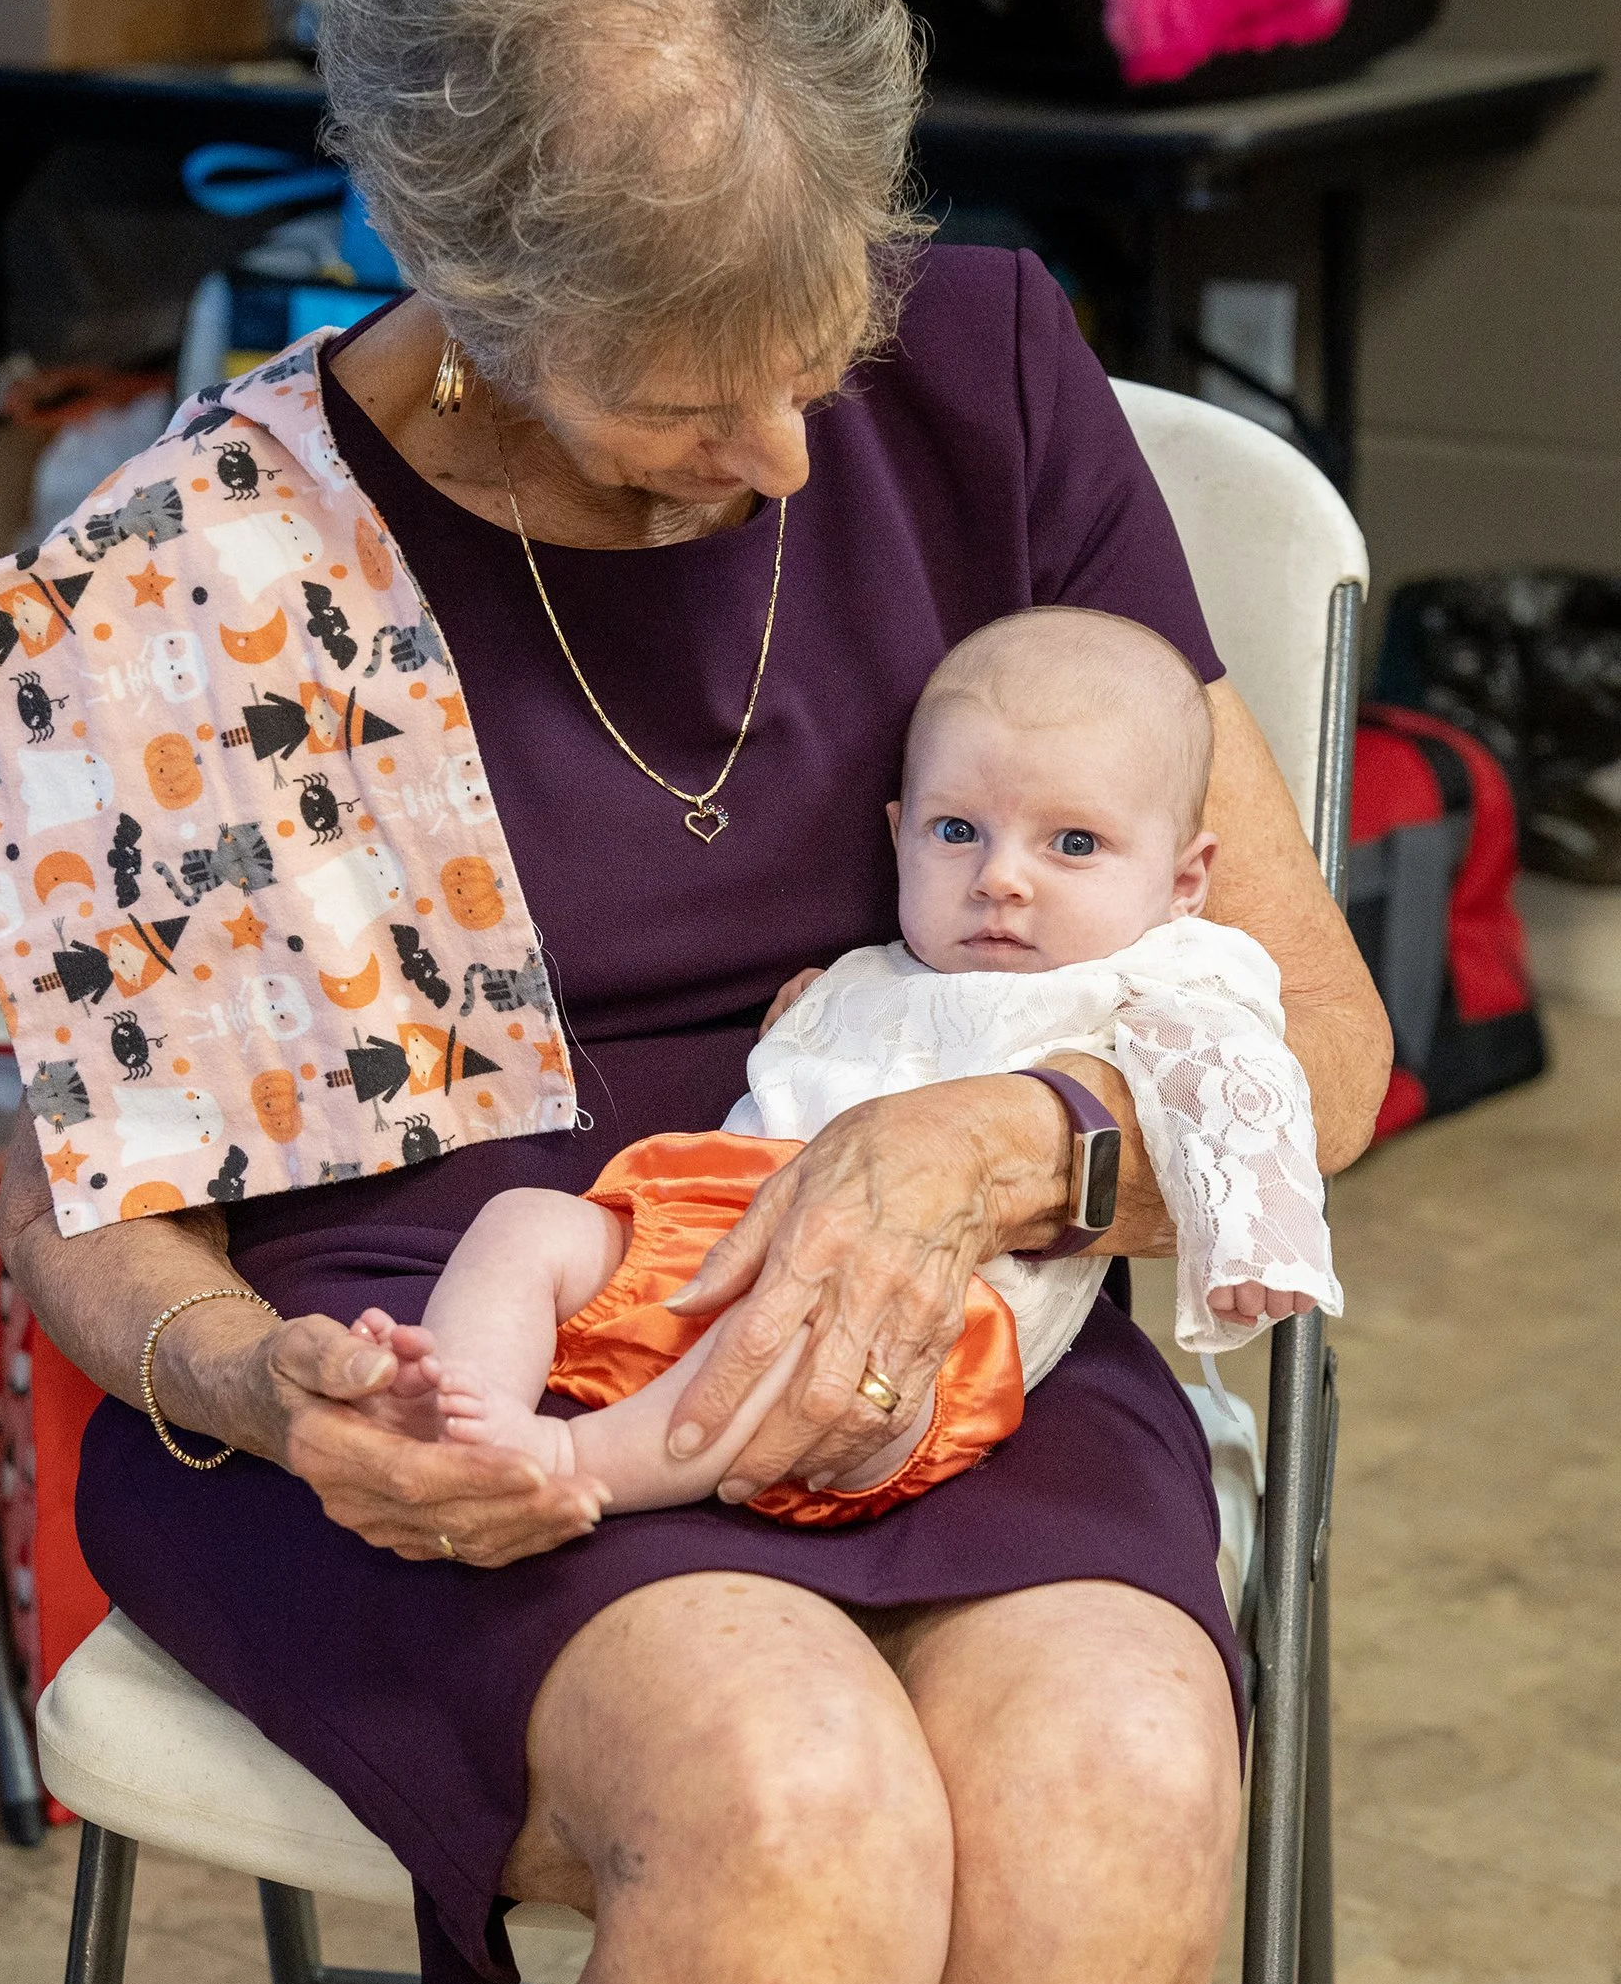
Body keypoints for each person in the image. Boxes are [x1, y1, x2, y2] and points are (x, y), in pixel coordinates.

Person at [0, 0, 1391, 1984]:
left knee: (1120, 1776)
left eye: (818, 334)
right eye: (676, 383)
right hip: (439, 1338)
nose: (783, 446)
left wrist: (1017, 1128)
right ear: (454, 280)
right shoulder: (202, 563)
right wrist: (267, 1387)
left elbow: (1324, 1030)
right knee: (793, 1810)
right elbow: (81, 1206)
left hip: (954, 1283)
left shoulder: (978, 381)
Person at [346, 602, 1340, 1526]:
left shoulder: (1155, 977)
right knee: (529, 1225)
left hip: (917, 1332)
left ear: (1181, 881)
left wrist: (1255, 1242)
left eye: (1072, 843)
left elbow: (1240, 1086)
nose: (998, 877)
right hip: (718, 1243)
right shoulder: (870, 972)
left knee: (789, 1349)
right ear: (897, 832)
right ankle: (460, 1394)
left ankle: (563, 1466)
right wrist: (813, 1019)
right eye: (956, 831)